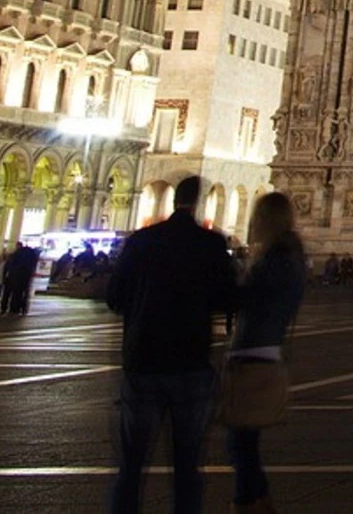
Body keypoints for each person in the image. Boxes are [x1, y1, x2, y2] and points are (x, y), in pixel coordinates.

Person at [104, 173, 238, 514]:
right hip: (189, 362)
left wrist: (141, 310)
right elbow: (227, 298)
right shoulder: (209, 244)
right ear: (201, 202)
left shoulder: (141, 241)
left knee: (131, 464)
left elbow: (114, 296)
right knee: (187, 463)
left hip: (143, 359)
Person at [224, 191, 305, 514]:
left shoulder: (278, 260)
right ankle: (256, 502)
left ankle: (247, 503)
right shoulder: (291, 256)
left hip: (255, 355)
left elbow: (249, 298)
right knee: (243, 443)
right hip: (265, 351)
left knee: (240, 442)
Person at [0, 241, 40, 315]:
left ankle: (4, 308)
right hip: (22, 279)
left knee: (7, 294)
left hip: (10, 277)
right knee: (19, 293)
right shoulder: (29, 257)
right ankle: (16, 308)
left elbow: (6, 267)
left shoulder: (13, 256)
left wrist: (4, 277)